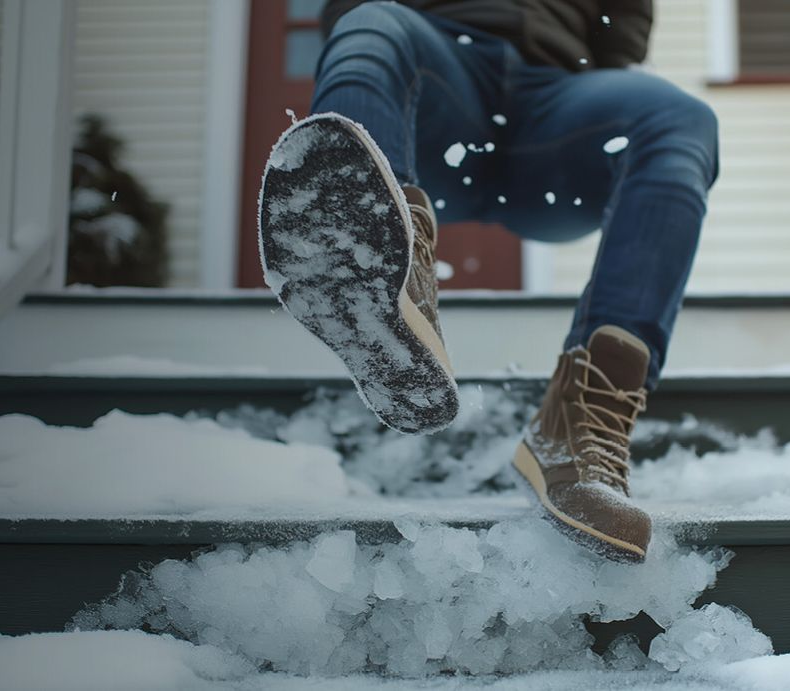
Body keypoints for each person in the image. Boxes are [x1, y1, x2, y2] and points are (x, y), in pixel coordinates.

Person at [258, 0, 719, 563]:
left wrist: (603, 64)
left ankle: (583, 423)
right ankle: (384, 267)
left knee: (682, 118)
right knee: (368, 26)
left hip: (560, 109)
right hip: (435, 90)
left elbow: (625, 17)